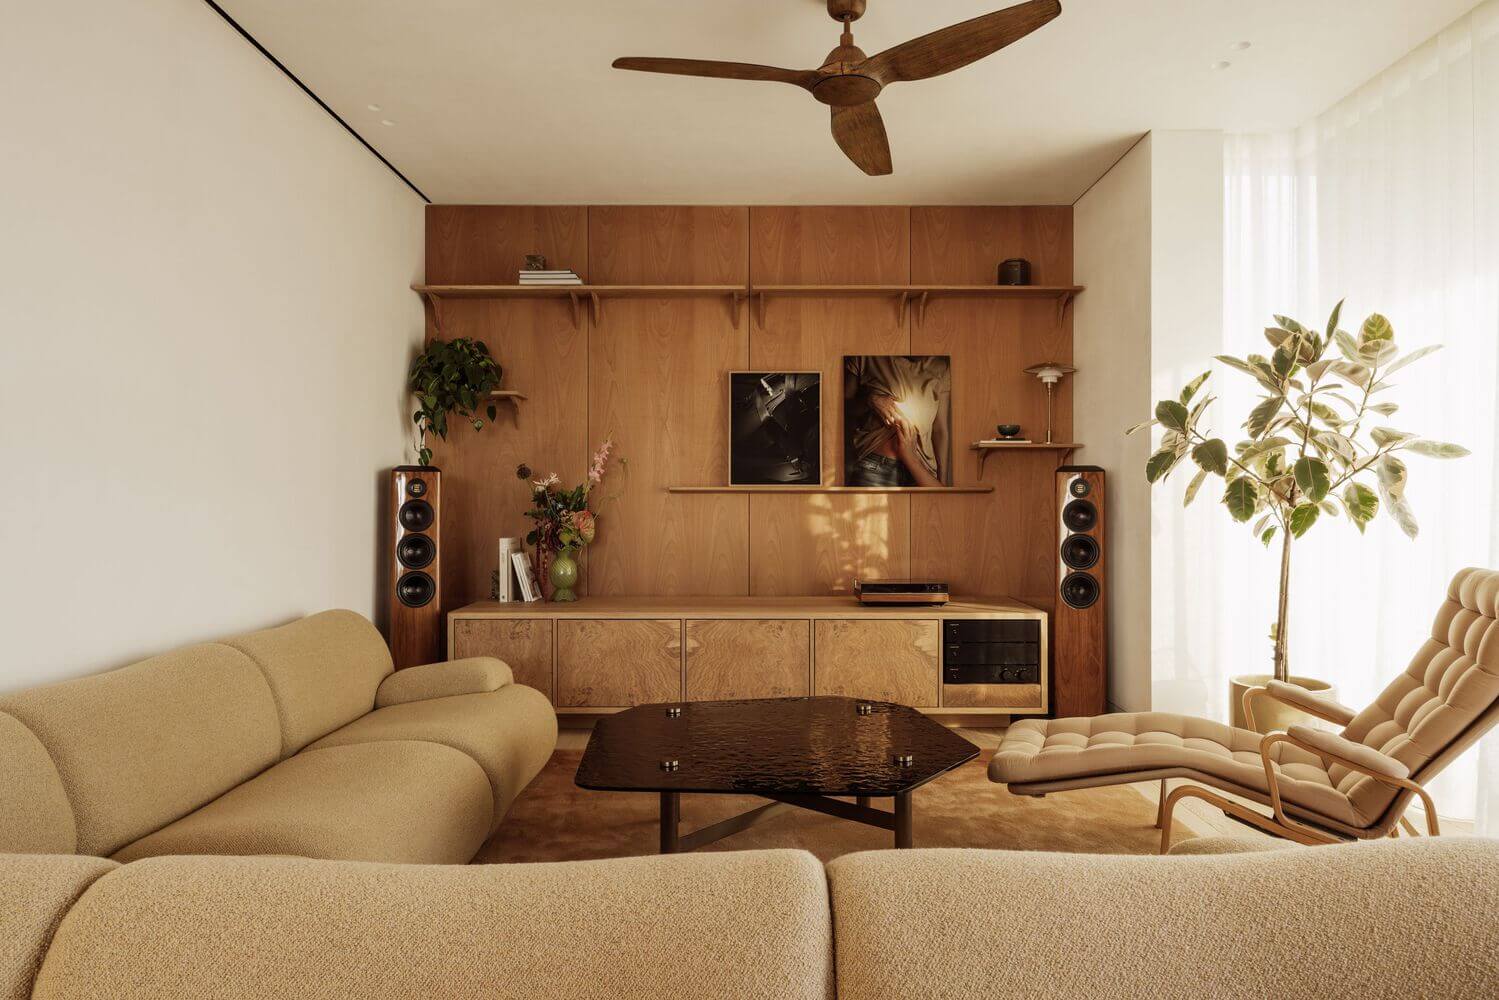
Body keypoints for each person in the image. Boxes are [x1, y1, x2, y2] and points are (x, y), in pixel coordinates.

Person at [844, 356, 950, 487]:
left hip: (923, 470)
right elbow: (841, 410)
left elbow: (940, 430)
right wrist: (870, 400)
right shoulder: (866, 357)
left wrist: (943, 482)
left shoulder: (941, 367)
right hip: (876, 468)